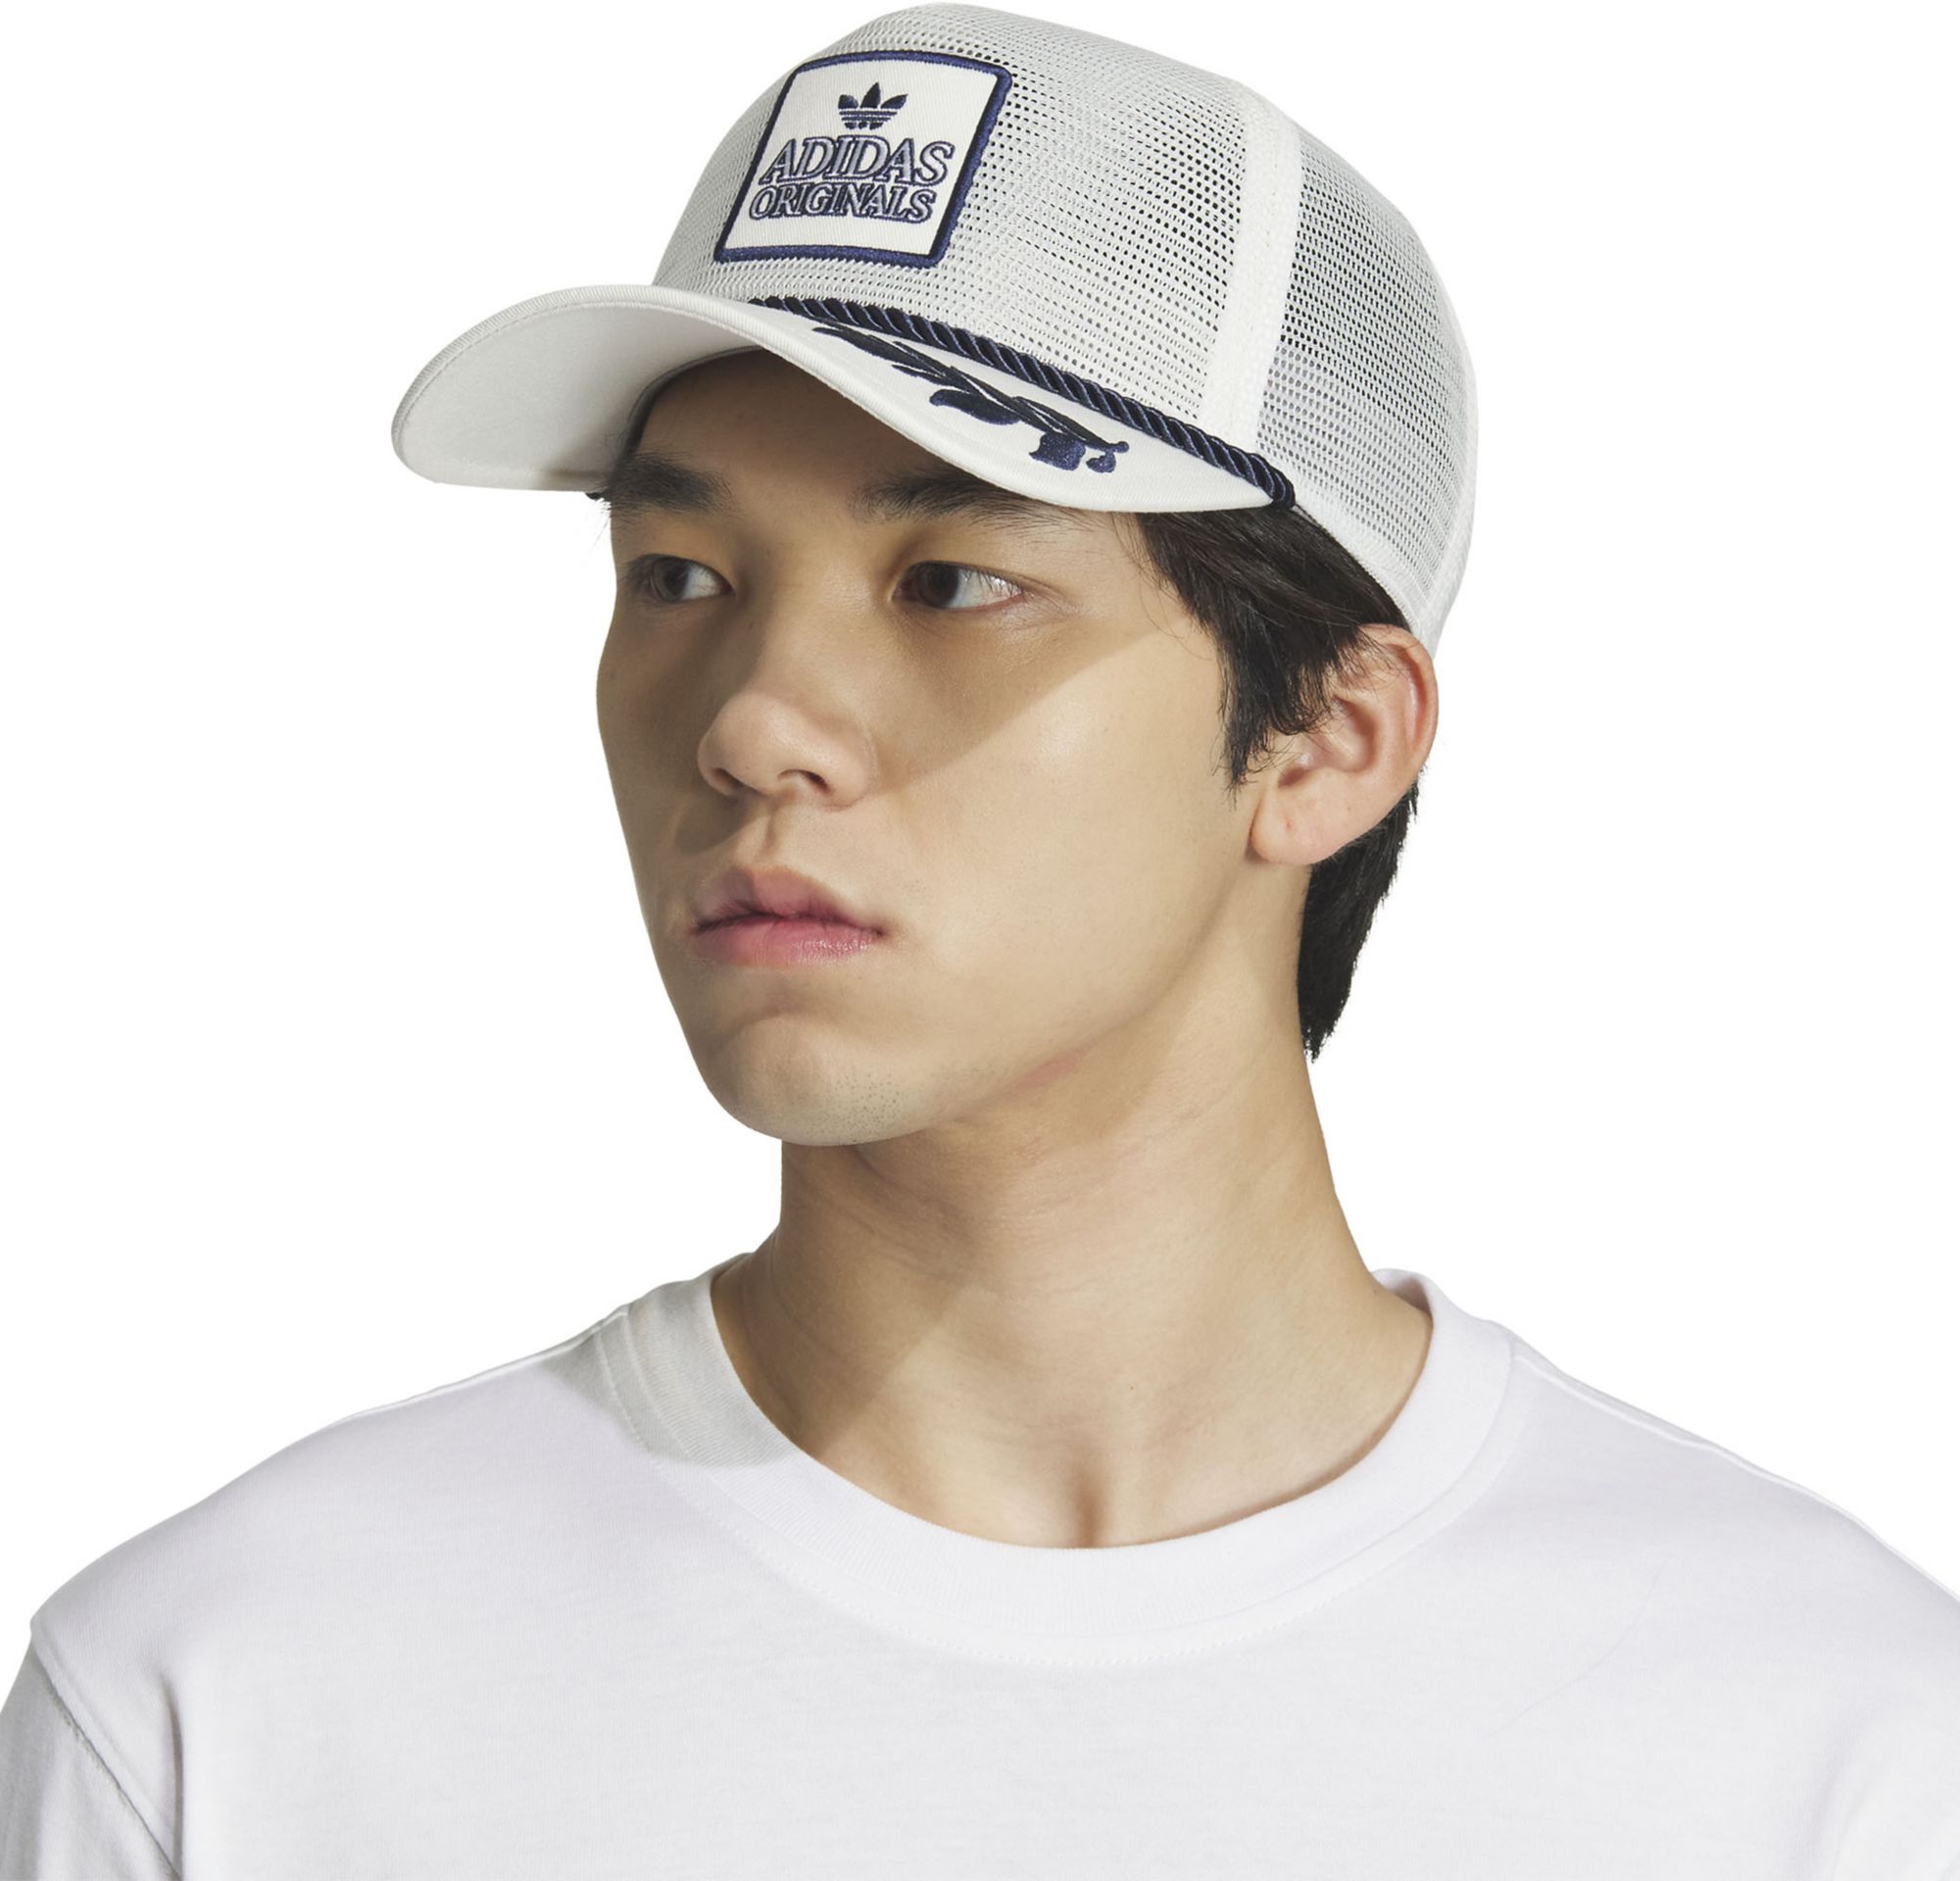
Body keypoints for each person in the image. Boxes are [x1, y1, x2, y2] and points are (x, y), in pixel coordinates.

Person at [5, 5, 1957, 1876]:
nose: (751, 722)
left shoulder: (1827, 1750)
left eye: (950, 581)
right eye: (676, 574)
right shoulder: (229, 1703)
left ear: (1324, 742)